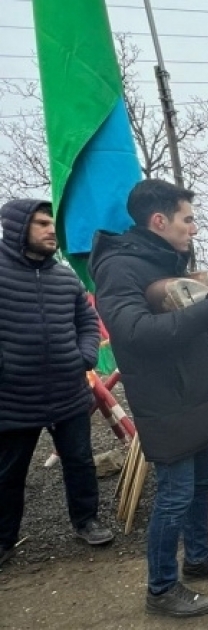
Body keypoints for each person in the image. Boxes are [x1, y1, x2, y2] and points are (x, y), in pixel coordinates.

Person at [89, 179, 208, 617]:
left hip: (195, 392)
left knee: (201, 484)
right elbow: (135, 333)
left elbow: (198, 318)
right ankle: (162, 588)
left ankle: (199, 558)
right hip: (166, 400)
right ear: (159, 220)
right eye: (188, 219)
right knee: (174, 496)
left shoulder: (166, 261)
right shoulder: (120, 268)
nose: (194, 228)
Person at [0, 199, 114, 569]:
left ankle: (86, 521)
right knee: (8, 473)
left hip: (68, 393)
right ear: (18, 228)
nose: (51, 231)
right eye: (41, 224)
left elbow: (87, 321)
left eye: (52, 224)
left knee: (79, 461)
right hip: (14, 397)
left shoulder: (65, 278)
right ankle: (3, 538)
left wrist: (85, 356)